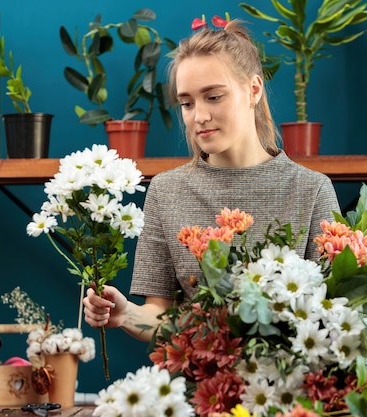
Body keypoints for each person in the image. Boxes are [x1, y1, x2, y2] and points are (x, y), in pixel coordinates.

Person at [83, 20, 340, 342]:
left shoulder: (311, 190)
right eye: (187, 103)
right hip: (200, 382)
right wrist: (126, 315)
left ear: (253, 90)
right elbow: (160, 315)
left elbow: (333, 311)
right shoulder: (166, 191)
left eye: (214, 97)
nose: (198, 116)